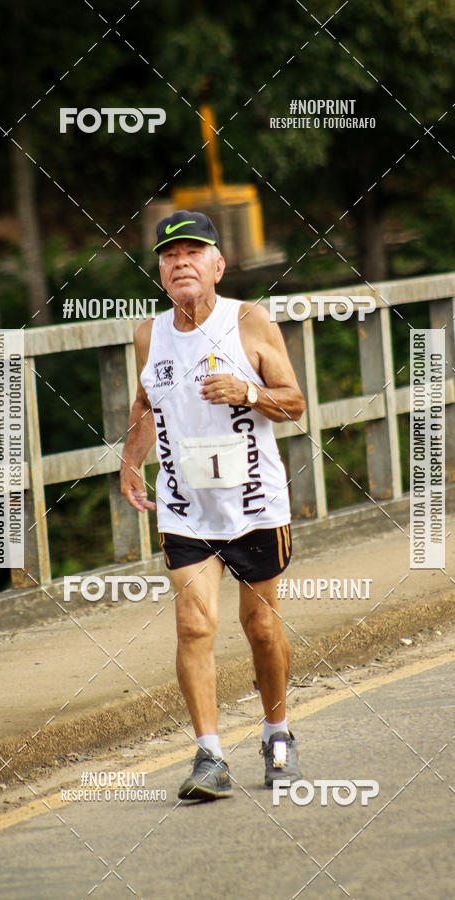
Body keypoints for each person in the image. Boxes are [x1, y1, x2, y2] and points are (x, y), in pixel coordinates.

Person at [121, 209, 306, 801]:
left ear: (217, 265)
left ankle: (277, 734)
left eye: (193, 252)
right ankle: (209, 755)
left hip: (254, 505)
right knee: (194, 624)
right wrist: (129, 461)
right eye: (170, 256)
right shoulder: (150, 334)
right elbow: (146, 404)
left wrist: (247, 391)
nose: (181, 263)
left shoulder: (249, 322)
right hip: (184, 506)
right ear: (160, 271)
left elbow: (295, 402)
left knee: (260, 627)